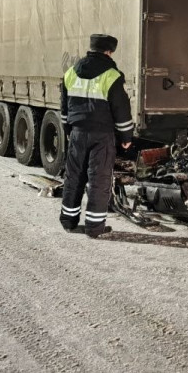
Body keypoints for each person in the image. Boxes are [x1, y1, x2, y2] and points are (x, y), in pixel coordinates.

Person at [59, 34, 133, 238]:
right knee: (99, 180)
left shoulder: (71, 72)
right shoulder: (112, 75)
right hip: (102, 136)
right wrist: (126, 137)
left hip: (77, 133)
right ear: (109, 52)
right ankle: (94, 227)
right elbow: (121, 110)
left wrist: (69, 131)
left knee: (74, 177)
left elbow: (64, 108)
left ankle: (68, 221)